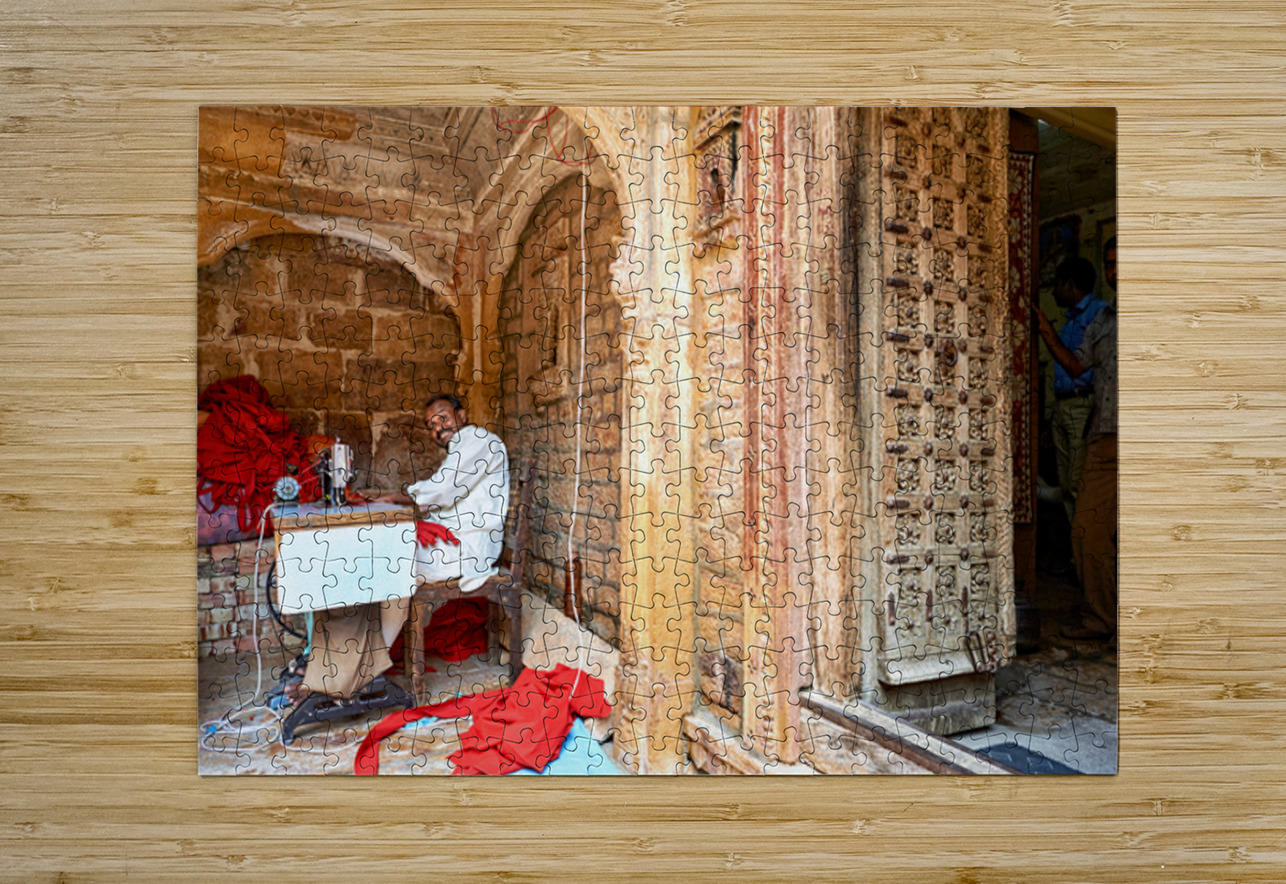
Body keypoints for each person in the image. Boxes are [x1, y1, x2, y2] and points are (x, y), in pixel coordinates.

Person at [287, 394, 509, 703]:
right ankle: (341, 667)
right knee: (381, 562)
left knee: (389, 561)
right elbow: (442, 490)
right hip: (456, 541)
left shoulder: (479, 438)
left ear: (462, 415)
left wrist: (394, 497)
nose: (438, 428)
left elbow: (443, 488)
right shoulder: (464, 447)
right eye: (431, 425)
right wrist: (395, 498)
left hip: (470, 547)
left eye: (443, 418)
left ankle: (351, 671)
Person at [1036, 249, 1118, 641]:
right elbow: (1075, 365)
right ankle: (1102, 618)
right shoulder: (1104, 319)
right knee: (1087, 527)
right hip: (1103, 431)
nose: (1115, 271)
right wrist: (1046, 331)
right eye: (1110, 264)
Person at [1046, 256, 1109, 526]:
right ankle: (1078, 559)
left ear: (1070, 285)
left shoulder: (1099, 313)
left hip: (1083, 406)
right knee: (1067, 484)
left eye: (1057, 285)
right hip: (1063, 407)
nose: (1053, 291)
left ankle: (1089, 556)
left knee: (1079, 483)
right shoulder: (1069, 322)